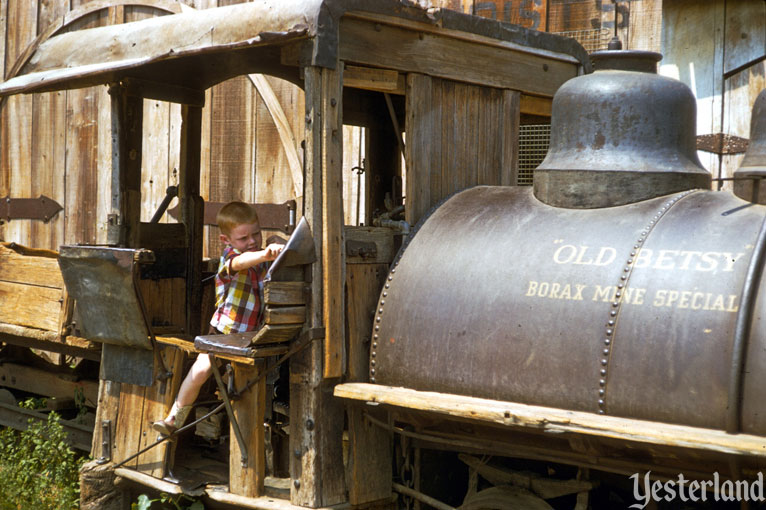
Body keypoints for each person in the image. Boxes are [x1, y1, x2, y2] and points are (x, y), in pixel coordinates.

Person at [152, 201, 284, 435]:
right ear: (227, 241)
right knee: (202, 369)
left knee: (255, 378)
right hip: (225, 332)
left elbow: (277, 246)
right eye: (243, 238)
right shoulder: (231, 257)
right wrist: (265, 253)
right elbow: (239, 263)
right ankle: (174, 418)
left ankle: (259, 424)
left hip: (253, 334)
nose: (252, 241)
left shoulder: (262, 260)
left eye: (256, 233)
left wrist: (277, 243)